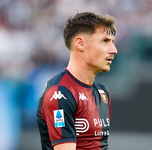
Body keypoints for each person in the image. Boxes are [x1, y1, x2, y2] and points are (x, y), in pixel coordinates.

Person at [37, 12, 118, 150]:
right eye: (105, 41)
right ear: (80, 44)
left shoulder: (103, 93)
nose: (114, 50)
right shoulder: (59, 93)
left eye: (112, 42)